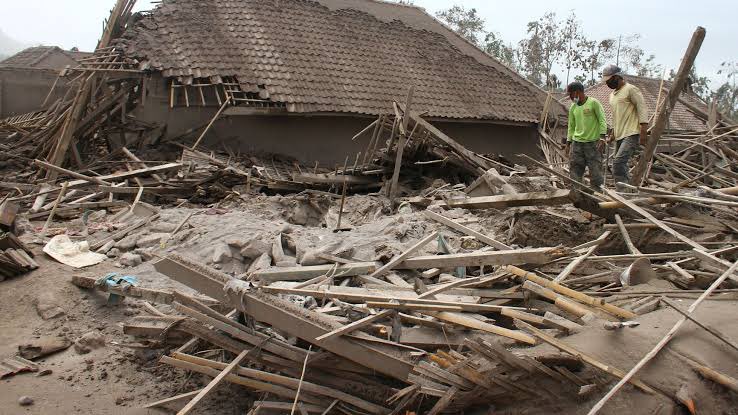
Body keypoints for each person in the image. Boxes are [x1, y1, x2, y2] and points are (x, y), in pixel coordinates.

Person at [602, 64, 648, 185]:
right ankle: (625, 189)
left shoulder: (631, 89)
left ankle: (624, 191)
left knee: (618, 163)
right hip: (619, 135)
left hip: (631, 133)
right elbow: (615, 116)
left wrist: (643, 130)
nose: (607, 83)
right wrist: (612, 134)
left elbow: (642, 108)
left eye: (609, 80)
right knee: (618, 165)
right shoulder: (612, 96)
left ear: (617, 77)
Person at [565, 81, 607, 189]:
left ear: (577, 92)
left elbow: (602, 120)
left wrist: (602, 137)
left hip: (593, 144)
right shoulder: (573, 107)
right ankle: (577, 192)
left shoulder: (593, 103)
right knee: (575, 169)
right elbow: (571, 126)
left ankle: (597, 194)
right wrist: (568, 143)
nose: (570, 97)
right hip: (577, 144)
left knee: (595, 170)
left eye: (570, 94)